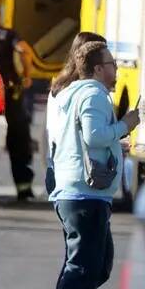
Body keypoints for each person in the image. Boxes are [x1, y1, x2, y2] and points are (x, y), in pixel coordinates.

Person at [44, 41, 140, 289]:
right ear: (98, 68)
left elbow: (78, 137)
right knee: (83, 265)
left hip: (78, 191)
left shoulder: (71, 92)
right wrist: (124, 126)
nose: (116, 69)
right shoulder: (94, 94)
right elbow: (94, 136)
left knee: (99, 265)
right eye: (111, 63)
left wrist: (114, 145)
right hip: (84, 193)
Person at [0, 4, 35, 201]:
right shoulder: (8, 34)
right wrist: (27, 76)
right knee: (18, 140)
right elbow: (25, 51)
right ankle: (23, 189)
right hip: (9, 94)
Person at [46, 31, 108, 195]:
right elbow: (90, 135)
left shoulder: (59, 84)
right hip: (81, 173)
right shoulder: (86, 91)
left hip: (56, 166)